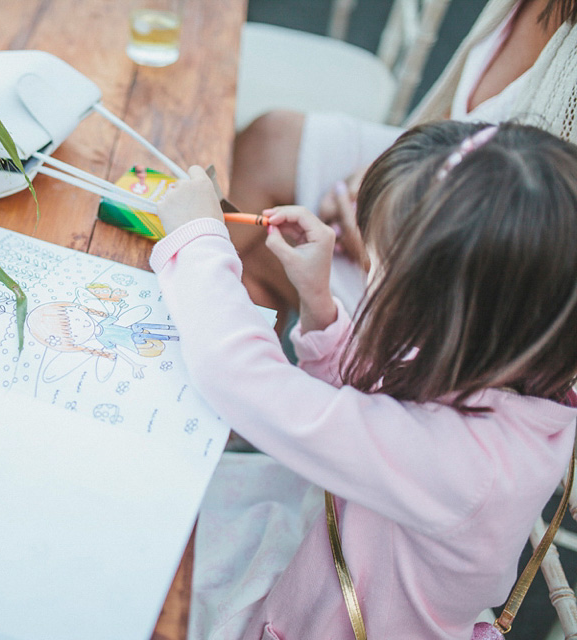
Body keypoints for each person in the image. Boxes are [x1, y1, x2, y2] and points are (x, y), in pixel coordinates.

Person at [149, 121, 577, 639]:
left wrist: (197, 243)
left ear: (445, 312)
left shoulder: (462, 465)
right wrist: (320, 305)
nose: (367, 269)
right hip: (325, 552)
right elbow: (374, 404)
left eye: (378, 265)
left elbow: (244, 381)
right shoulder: (508, 364)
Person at [230, 0, 577, 319]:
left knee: (259, 253)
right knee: (271, 142)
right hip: (435, 183)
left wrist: (388, 244)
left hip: (463, 283)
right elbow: (465, 127)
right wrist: (388, 170)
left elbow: (534, 284)